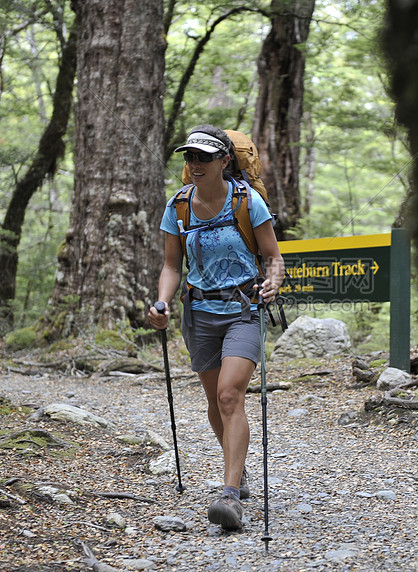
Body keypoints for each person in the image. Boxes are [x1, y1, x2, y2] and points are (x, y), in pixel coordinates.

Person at [148, 125, 284, 531]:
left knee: (229, 396)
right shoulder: (178, 206)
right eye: (189, 157)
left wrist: (273, 282)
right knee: (214, 400)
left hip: (244, 308)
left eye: (203, 157)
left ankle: (229, 497)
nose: (194, 164)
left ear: (225, 161)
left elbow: (273, 257)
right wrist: (162, 302)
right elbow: (172, 266)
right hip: (199, 313)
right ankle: (237, 471)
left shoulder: (248, 201)